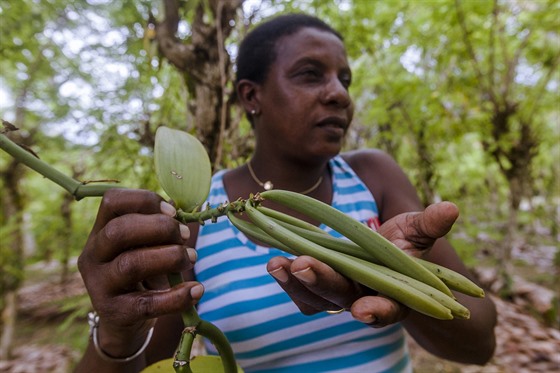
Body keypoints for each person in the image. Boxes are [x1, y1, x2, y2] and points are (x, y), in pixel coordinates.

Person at [75, 13, 497, 373]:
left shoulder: (373, 176)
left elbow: (479, 344)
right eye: (311, 75)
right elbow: (153, 360)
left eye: (344, 79)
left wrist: (400, 285)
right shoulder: (197, 220)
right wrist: (117, 328)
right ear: (251, 96)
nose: (340, 94)